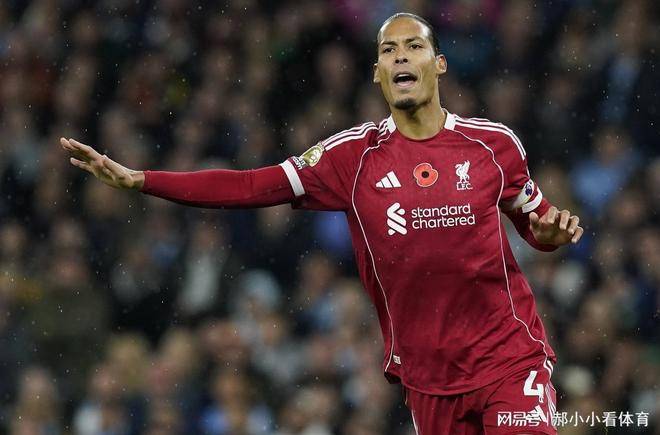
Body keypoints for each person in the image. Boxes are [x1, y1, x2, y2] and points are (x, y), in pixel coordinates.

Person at [60, 12, 583, 435]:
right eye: (388, 50)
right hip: (428, 377)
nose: (401, 56)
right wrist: (143, 179)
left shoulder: (493, 145)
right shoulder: (351, 157)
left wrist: (547, 236)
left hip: (509, 360)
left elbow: (536, 223)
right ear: (377, 73)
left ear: (439, 63)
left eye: (414, 46)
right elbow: (251, 186)